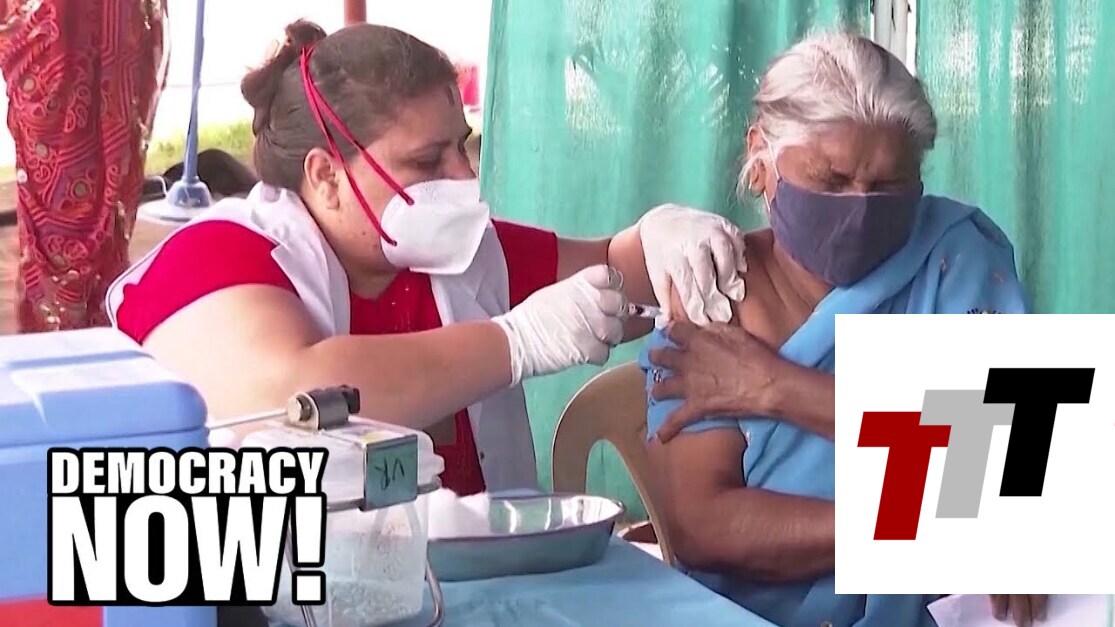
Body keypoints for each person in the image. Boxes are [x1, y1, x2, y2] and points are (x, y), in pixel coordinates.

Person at [105, 20, 747, 498]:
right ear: (326, 176)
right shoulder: (216, 256)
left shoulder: (456, 254)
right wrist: (517, 341)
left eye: (461, 147)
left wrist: (665, 237)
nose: (463, 177)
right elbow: (289, 393)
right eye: (426, 160)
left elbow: (616, 268)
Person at [639, 32, 1045, 627]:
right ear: (762, 158)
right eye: (831, 181)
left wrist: (774, 386)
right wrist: (938, 523)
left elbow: (1017, 461)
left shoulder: (955, 257)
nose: (859, 207)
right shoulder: (711, 293)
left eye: (887, 185)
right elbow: (703, 526)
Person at [1, 0, 168, 332]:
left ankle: (89, 320)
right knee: (57, 191)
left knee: (112, 173)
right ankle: (63, 326)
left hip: (113, 26)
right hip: (56, 34)